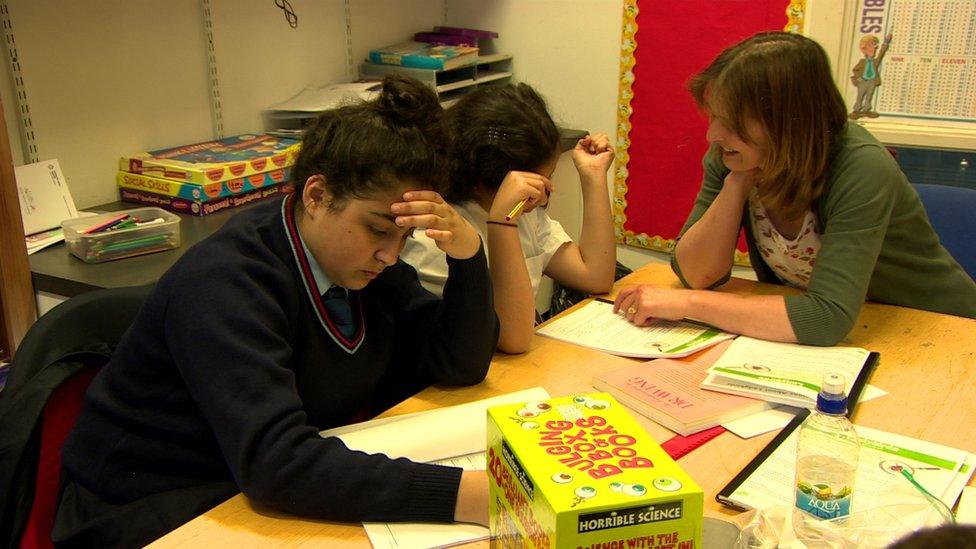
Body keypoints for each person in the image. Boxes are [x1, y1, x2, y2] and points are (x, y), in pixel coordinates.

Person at [52, 76, 498, 547]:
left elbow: (459, 364)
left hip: (249, 479)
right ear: (317, 195)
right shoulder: (227, 281)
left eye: (405, 235)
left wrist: (468, 256)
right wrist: (467, 496)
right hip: (148, 506)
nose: (391, 254)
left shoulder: (362, 266)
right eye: (377, 229)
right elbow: (278, 462)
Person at [614, 32, 976, 346]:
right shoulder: (734, 156)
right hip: (854, 331)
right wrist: (739, 179)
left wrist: (687, 305)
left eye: (732, 122)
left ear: (789, 122)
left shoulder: (862, 167)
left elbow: (828, 317)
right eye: (714, 118)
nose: (714, 136)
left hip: (938, 330)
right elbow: (695, 273)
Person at [400, 83, 616, 354]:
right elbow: (512, 339)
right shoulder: (434, 235)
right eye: (538, 186)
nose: (546, 196)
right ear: (481, 181)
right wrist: (502, 222)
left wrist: (593, 176)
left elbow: (594, 276)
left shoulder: (523, 213)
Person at [850, 33, 892, 120]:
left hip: (872, 81)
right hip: (863, 82)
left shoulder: (875, 62)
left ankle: (866, 109)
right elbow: (855, 70)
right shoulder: (862, 61)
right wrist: (859, 78)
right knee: (860, 96)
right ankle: (856, 110)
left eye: (874, 46)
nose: (872, 49)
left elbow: (881, 53)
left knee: (869, 96)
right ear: (864, 49)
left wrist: (886, 42)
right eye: (869, 46)